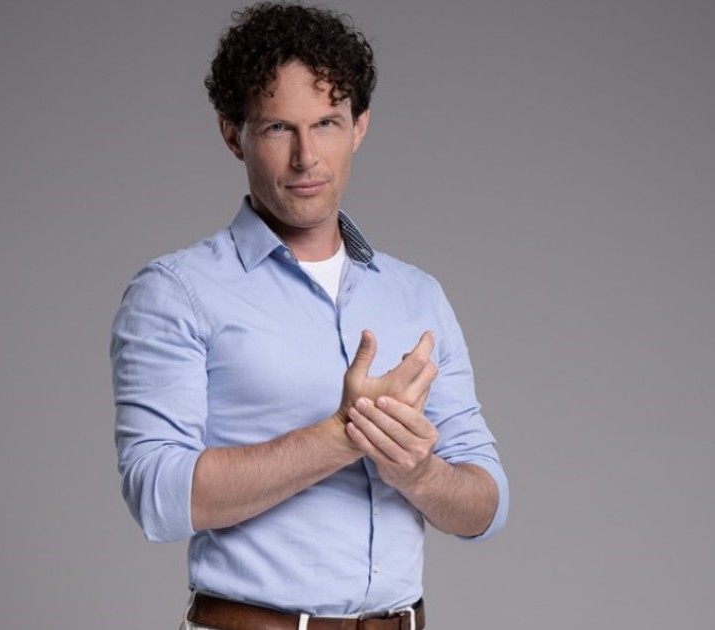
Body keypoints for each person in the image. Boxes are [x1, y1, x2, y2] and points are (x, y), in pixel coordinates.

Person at [111, 3, 509, 628]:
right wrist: (345, 435)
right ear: (232, 133)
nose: (306, 157)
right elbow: (157, 495)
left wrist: (420, 472)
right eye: (278, 128)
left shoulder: (417, 296)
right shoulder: (176, 292)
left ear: (359, 127)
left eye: (326, 123)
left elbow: (486, 505)